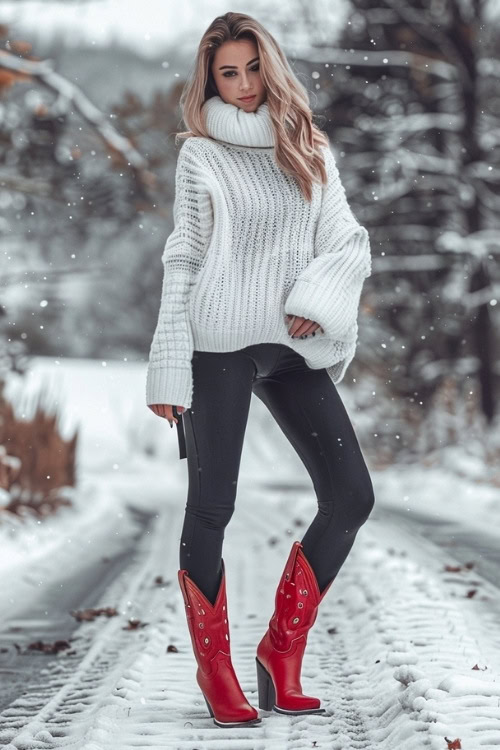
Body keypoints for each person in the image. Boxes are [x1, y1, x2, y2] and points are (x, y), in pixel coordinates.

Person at [146, 11, 375, 729]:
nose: (242, 86)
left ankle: (281, 655)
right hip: (218, 343)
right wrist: (167, 366)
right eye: (227, 73)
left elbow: (347, 240)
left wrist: (319, 299)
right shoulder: (201, 157)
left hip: (291, 346)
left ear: (269, 67)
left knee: (351, 495)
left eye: (251, 68)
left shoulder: (306, 145)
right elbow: (184, 257)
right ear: (210, 80)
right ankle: (217, 672)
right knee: (212, 506)